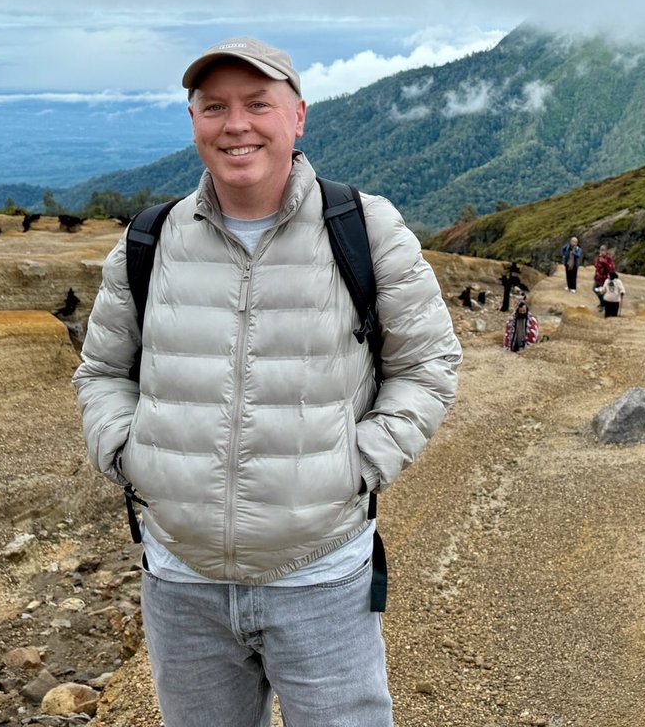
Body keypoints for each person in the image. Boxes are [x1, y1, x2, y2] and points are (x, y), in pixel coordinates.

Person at [73, 36, 461, 727]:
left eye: (258, 103)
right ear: (193, 119)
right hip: (180, 578)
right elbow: (102, 369)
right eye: (214, 106)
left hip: (319, 573)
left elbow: (428, 365)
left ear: (299, 117)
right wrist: (127, 453)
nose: (236, 124)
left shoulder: (366, 229)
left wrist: (359, 464)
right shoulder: (150, 241)